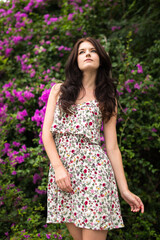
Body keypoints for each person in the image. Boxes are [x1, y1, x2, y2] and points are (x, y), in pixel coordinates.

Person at [42, 37, 144, 240]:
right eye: (82, 52)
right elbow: (47, 135)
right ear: (76, 60)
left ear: (100, 58)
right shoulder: (58, 91)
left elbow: (112, 147)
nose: (87, 54)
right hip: (64, 175)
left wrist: (124, 190)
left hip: (95, 174)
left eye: (92, 51)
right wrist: (59, 168)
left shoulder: (107, 97)